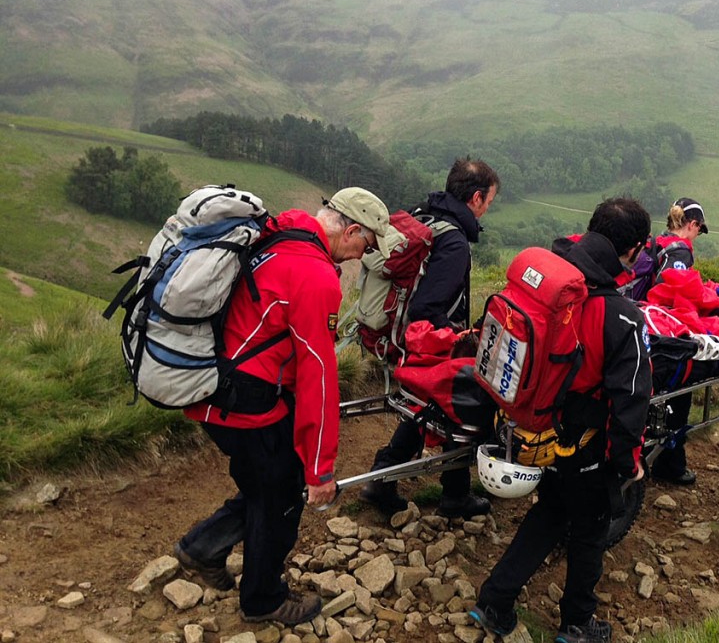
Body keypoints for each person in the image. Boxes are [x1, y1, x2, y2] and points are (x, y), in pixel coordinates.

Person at [173, 187, 391, 626]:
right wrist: (321, 470)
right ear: (350, 229)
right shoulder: (315, 276)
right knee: (282, 497)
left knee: (264, 482)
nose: (357, 258)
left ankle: (201, 548)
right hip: (246, 402)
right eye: (364, 246)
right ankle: (264, 600)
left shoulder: (279, 233)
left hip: (216, 386)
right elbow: (319, 379)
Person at [470, 197, 652, 643]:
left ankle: (495, 600)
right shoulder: (621, 316)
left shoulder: (541, 282)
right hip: (582, 441)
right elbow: (631, 398)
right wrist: (628, 464)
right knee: (588, 527)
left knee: (552, 509)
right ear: (633, 251)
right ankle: (577, 622)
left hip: (529, 421)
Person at [361, 157, 500, 519]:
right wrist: (457, 335)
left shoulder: (423, 213)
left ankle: (382, 475)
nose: (487, 210)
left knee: (428, 405)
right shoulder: (454, 242)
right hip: (424, 338)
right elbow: (427, 306)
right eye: (489, 202)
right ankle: (454, 498)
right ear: (476, 198)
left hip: (397, 332)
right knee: (459, 404)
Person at [647, 197, 709, 486]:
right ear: (692, 224)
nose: (697, 235)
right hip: (662, 332)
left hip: (642, 324)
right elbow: (671, 293)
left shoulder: (656, 242)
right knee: (680, 393)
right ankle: (670, 464)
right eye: (699, 229)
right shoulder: (680, 251)